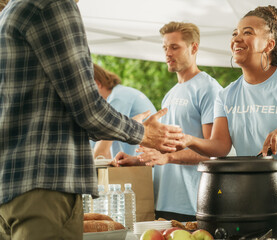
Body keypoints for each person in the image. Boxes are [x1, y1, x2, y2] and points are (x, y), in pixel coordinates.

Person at [0, 0, 182, 239]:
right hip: (44, 187)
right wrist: (144, 133)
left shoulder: (13, 11)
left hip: (13, 186)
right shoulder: (53, 5)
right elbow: (89, 109)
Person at [167, 6, 277, 210]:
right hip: (253, 194)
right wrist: (188, 140)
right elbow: (220, 146)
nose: (237, 38)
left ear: (269, 45)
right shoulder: (226, 95)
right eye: (235, 33)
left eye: (247, 32)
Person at [114, 22, 223, 221]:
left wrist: (170, 158)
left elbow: (214, 153)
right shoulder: (170, 95)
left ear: (194, 47)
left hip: (194, 205)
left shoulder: (209, 89)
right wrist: (138, 160)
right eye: (165, 47)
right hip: (162, 202)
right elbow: (166, 151)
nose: (167, 53)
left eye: (174, 47)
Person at [91, 63, 157, 159]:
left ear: (97, 84)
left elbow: (100, 152)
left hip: (143, 166)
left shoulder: (118, 98)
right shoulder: (123, 93)